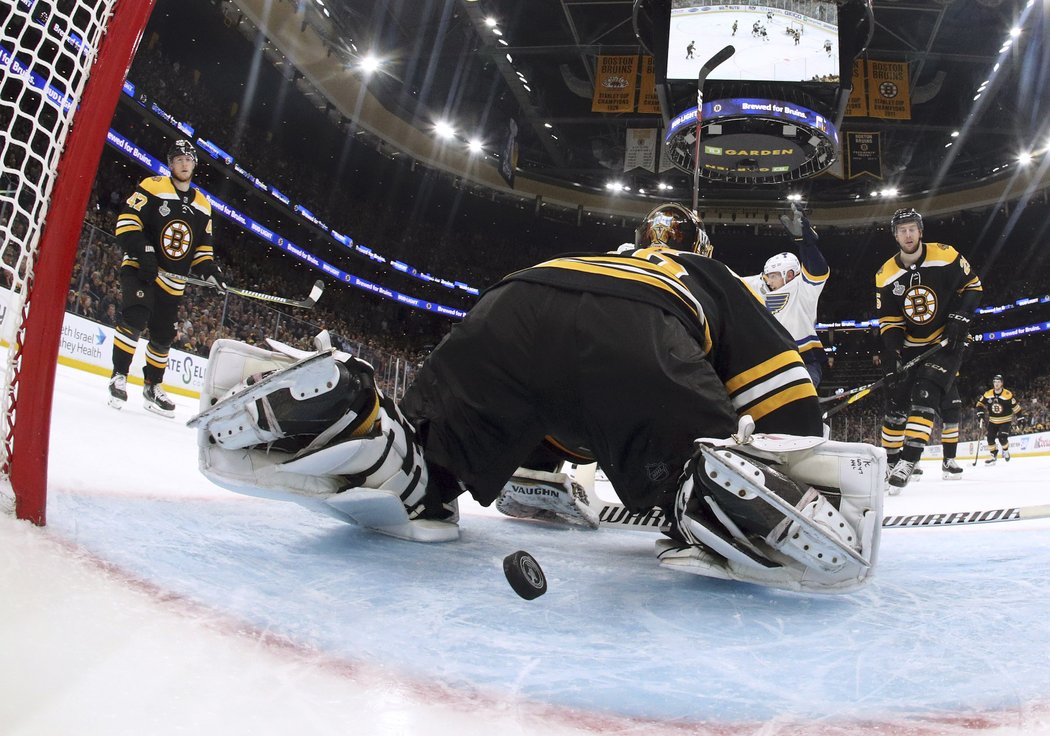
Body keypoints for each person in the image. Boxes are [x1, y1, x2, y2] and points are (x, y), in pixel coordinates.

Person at [191, 203, 884, 594]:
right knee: (699, 471)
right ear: (699, 245)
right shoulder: (705, 271)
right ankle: (717, 500)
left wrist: (534, 469)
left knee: (432, 471)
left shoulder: (598, 257)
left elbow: (559, 392)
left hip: (515, 298)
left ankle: (360, 423)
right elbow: (783, 393)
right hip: (639, 328)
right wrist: (791, 449)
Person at [108, 139, 227, 417]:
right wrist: (145, 252)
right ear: (170, 163)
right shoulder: (153, 186)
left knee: (163, 335)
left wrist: (211, 271)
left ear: (194, 164)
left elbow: (202, 250)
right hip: (140, 268)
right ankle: (119, 375)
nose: (184, 163)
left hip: (173, 280)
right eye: (178, 159)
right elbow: (126, 224)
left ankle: (152, 386)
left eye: (188, 159)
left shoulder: (202, 204)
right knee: (135, 317)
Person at [875, 208, 982, 492]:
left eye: (912, 229)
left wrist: (962, 316)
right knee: (896, 406)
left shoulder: (946, 255)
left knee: (926, 392)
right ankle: (890, 461)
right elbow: (891, 321)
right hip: (912, 347)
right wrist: (892, 353)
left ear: (921, 231)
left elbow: (974, 286)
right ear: (895, 235)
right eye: (902, 230)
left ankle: (910, 460)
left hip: (947, 342)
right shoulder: (885, 274)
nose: (908, 234)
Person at [742, 203, 829, 386]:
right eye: (767, 276)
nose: (769, 280)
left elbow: (818, 269)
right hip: (771, 360)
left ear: (789, 275)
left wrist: (806, 243)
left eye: (773, 276)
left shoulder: (802, 287)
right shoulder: (762, 284)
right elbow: (728, 279)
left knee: (800, 395)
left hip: (804, 361)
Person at [975, 374, 1023, 464]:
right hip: (993, 421)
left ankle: (1005, 450)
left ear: (1002, 383)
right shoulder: (988, 394)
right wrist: (980, 414)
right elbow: (979, 404)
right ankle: (993, 455)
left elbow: (1015, 407)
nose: (996, 384)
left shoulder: (1007, 394)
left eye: (998, 382)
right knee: (990, 439)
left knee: (1002, 438)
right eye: (995, 382)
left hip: (1005, 420)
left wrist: (1020, 417)